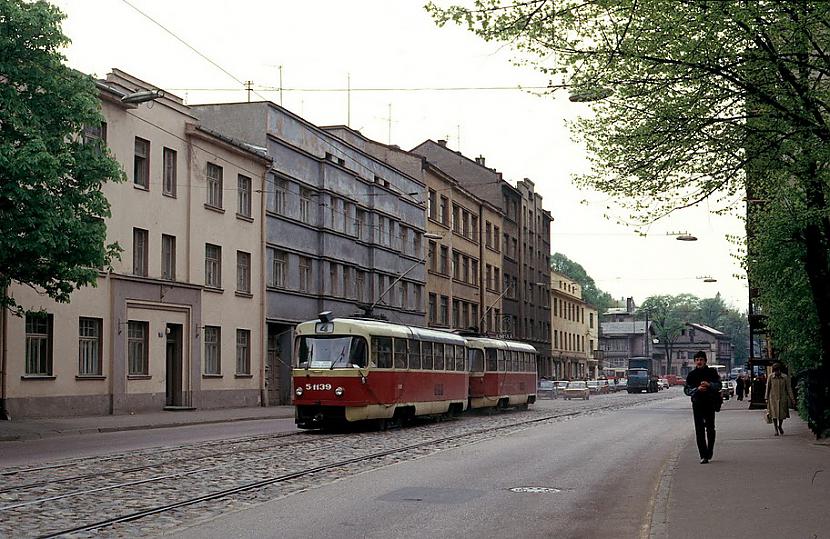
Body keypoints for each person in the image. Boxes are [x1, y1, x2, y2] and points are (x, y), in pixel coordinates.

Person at [684, 351, 722, 463]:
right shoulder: (692, 375)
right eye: (697, 360)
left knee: (710, 429)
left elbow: (719, 385)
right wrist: (697, 389)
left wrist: (709, 385)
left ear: (705, 361)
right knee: (699, 430)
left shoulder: (712, 372)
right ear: (695, 361)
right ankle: (703, 455)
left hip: (710, 403)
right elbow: (687, 390)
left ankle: (710, 450)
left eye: (701, 359)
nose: (699, 362)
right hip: (697, 404)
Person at [766, 362, 796, 436]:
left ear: (780, 370)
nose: (776, 372)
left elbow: (789, 388)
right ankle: (776, 429)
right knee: (774, 415)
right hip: (773, 398)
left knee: (781, 414)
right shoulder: (770, 377)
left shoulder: (785, 377)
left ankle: (780, 426)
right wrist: (766, 398)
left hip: (782, 398)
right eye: (775, 371)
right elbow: (768, 388)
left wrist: (792, 399)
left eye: (777, 370)